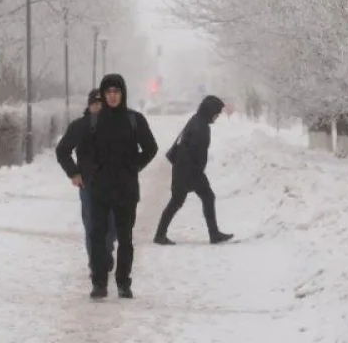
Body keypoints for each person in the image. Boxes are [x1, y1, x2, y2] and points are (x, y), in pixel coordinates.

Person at [78, 73, 158, 300]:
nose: (112, 96)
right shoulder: (94, 121)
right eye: (109, 92)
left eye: (117, 92)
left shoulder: (135, 120)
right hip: (99, 190)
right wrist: (92, 173)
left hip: (126, 190)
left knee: (125, 238)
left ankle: (123, 281)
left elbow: (151, 148)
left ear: (123, 94)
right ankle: (99, 281)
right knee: (97, 236)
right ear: (103, 95)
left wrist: (134, 166)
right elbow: (82, 151)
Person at [154, 94, 234, 245]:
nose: (217, 116)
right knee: (196, 198)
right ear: (210, 111)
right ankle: (213, 234)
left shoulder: (197, 121)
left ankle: (161, 234)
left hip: (185, 169)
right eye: (217, 113)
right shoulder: (200, 127)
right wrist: (195, 172)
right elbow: (192, 151)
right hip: (188, 170)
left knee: (184, 200)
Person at [55, 89, 116, 273]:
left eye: (101, 104)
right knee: (92, 226)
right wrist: (73, 173)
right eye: (94, 104)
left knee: (112, 226)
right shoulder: (79, 126)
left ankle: (107, 249)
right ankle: (96, 263)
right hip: (88, 184)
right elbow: (62, 150)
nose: (98, 107)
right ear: (89, 106)